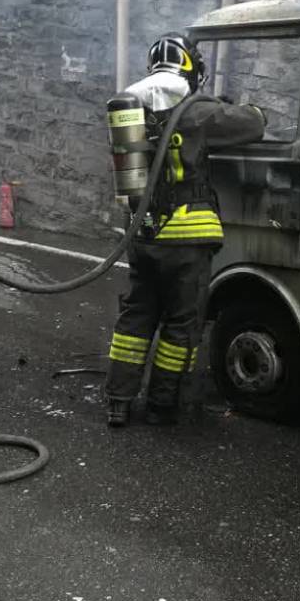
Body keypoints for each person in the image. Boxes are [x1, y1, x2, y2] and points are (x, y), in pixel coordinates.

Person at [106, 34, 266, 427]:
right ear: (190, 68)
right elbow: (254, 124)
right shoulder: (197, 111)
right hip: (187, 239)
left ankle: (119, 401)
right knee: (181, 323)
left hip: (142, 235)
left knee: (136, 318)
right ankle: (163, 405)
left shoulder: (131, 107)